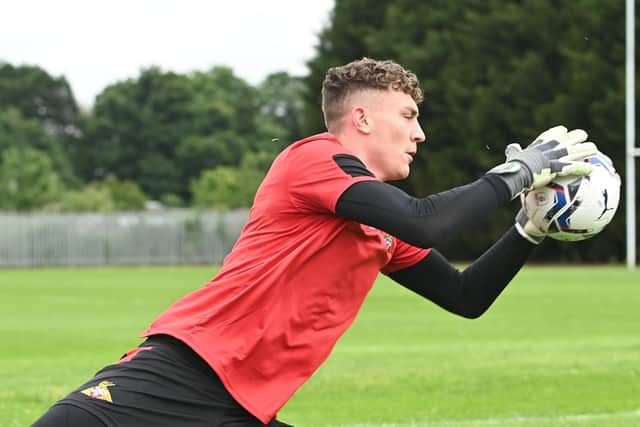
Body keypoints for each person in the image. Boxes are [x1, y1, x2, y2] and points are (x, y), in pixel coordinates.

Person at [32, 58, 597, 427]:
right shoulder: (312, 159)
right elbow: (427, 221)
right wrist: (518, 173)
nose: (420, 132)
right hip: (181, 373)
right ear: (362, 119)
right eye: (408, 115)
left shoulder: (377, 228)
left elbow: (464, 296)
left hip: (242, 407)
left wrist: (530, 228)